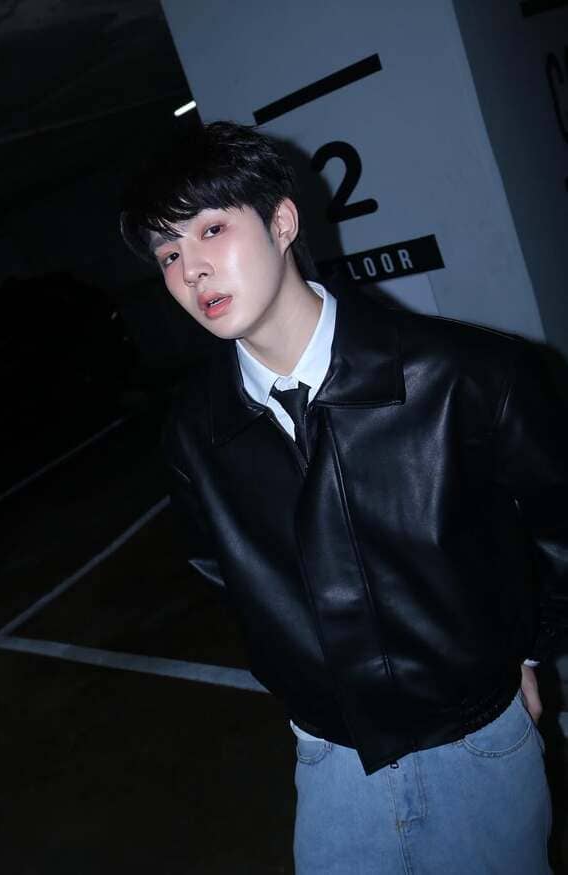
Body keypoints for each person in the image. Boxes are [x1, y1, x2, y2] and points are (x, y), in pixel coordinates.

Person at [120, 121, 567, 874]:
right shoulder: (195, 432)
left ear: (282, 222)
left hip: (474, 739)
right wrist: (303, 677)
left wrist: (522, 648)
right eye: (168, 253)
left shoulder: (465, 375)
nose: (191, 269)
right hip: (328, 758)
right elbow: (220, 567)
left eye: (211, 229)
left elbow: (557, 527)